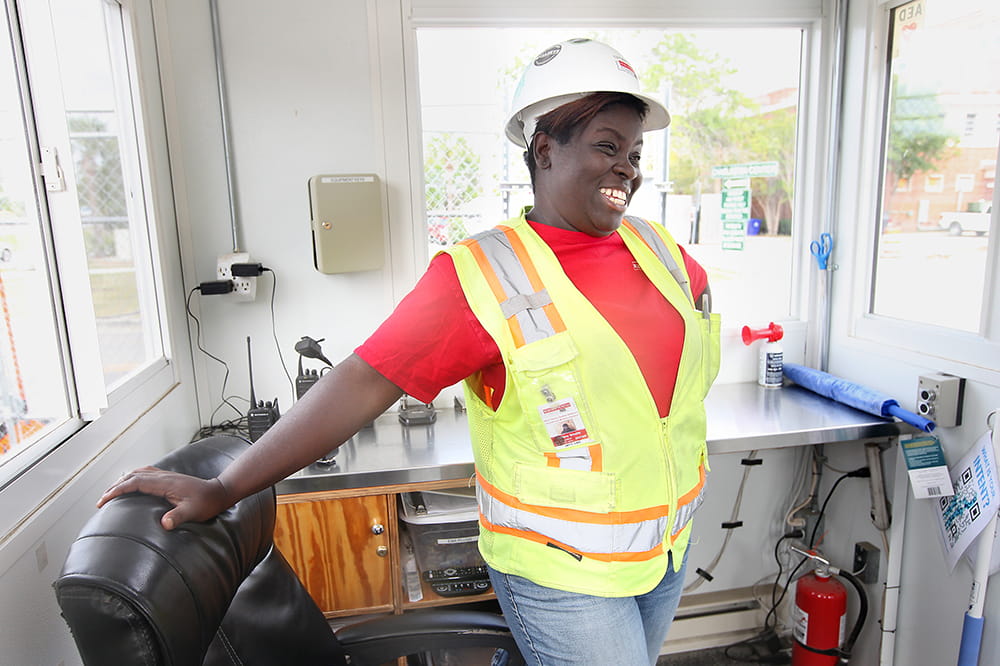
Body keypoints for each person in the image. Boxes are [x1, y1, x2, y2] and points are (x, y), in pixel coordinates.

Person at [100, 38, 721, 666]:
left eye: (636, 153)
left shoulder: (657, 247)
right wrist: (226, 487)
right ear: (544, 149)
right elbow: (364, 380)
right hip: (565, 570)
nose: (628, 169)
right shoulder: (483, 274)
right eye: (608, 146)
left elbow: (685, 326)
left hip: (664, 549)